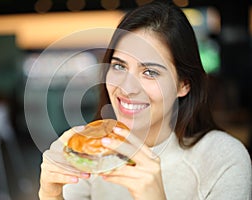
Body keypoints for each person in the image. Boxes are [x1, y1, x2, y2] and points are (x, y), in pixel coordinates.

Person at [38, 0, 252, 199]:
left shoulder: (223, 157)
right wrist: (50, 195)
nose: (128, 88)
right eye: (119, 66)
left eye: (150, 72)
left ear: (183, 84)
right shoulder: (88, 152)